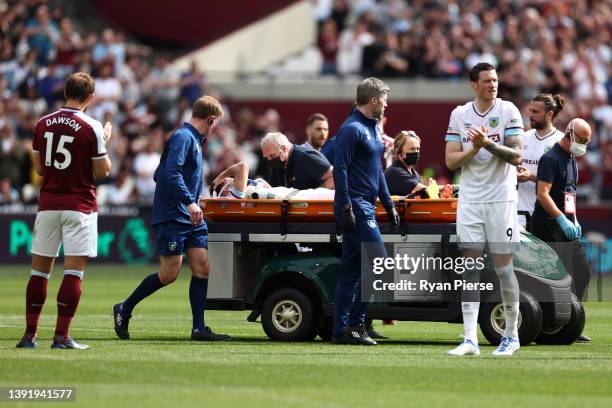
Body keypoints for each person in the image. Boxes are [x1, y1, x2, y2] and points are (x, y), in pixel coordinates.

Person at [113, 96, 230, 342]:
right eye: (216, 122)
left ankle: (199, 328)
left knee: (202, 267)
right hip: (174, 216)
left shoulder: (192, 141)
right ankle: (124, 308)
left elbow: (160, 174)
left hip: (189, 215)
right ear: (210, 119)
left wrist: (197, 199)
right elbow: (169, 172)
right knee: (169, 274)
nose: (215, 128)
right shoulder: (183, 138)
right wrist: (188, 201)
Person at [16, 72, 113, 349]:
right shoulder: (92, 127)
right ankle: (61, 337)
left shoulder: (42, 123)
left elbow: (38, 169)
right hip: (79, 205)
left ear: (65, 92)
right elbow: (102, 171)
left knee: (38, 273)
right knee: (73, 272)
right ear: (90, 98)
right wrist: (105, 141)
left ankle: (29, 335)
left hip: (48, 205)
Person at [444, 63, 524, 356]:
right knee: (470, 269)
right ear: (473, 84)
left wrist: (487, 144)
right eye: (487, 81)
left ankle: (511, 336)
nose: (493, 85)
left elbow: (517, 155)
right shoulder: (460, 114)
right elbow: (452, 162)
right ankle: (469, 339)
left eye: (495, 80)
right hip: (471, 200)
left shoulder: (508, 111)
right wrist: (475, 149)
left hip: (501, 199)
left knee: (504, 270)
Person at [331, 77, 399, 345]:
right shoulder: (352, 129)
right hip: (356, 206)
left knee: (351, 272)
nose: (386, 104)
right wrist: (346, 205)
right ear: (373, 100)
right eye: (384, 99)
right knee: (380, 264)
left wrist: (388, 203)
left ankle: (340, 331)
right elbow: (341, 168)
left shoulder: (371, 128)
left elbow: (378, 171)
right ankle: (356, 325)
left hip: (365, 204)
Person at [531, 118, 592, 343]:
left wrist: (573, 218)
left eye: (587, 142)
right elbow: (543, 194)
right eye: (582, 140)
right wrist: (561, 219)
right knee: (555, 277)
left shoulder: (571, 159)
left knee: (581, 271)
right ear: (569, 135)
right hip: (548, 225)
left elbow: (569, 193)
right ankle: (549, 324)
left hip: (565, 223)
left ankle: (569, 322)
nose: (584, 145)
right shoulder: (550, 158)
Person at [517, 94, 565, 228]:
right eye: (530, 111)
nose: (530, 115)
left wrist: (531, 177)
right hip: (519, 215)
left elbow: (563, 182)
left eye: (536, 112)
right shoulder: (523, 138)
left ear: (549, 114)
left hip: (547, 218)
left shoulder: (561, 142)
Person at [209, 161, 335, 200]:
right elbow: (242, 166)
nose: (232, 178)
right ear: (226, 189)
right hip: (288, 197)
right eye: (229, 179)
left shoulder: (239, 193)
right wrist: (221, 175)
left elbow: (269, 189)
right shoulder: (233, 196)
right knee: (325, 196)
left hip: (285, 194)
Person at [261, 131, 334, 189]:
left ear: (283, 149)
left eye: (272, 155)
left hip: (315, 206)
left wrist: (314, 194)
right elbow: (274, 189)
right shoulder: (278, 164)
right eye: (267, 157)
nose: (270, 160)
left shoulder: (306, 157)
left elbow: (335, 177)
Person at [384, 130, 430, 197]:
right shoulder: (395, 172)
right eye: (412, 149)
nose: (416, 152)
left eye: (418, 149)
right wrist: (430, 186)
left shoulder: (414, 173)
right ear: (399, 152)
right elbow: (426, 191)